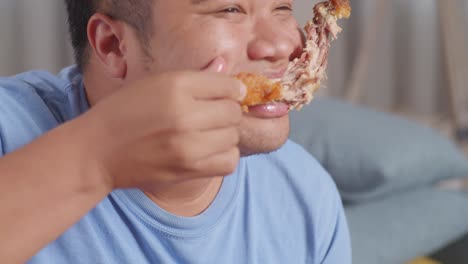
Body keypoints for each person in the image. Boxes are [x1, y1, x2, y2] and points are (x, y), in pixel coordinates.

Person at [0, 0, 351, 263]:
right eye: (229, 9)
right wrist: (100, 156)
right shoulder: (10, 125)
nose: (280, 47)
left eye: (283, 7)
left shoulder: (306, 197)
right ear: (112, 45)